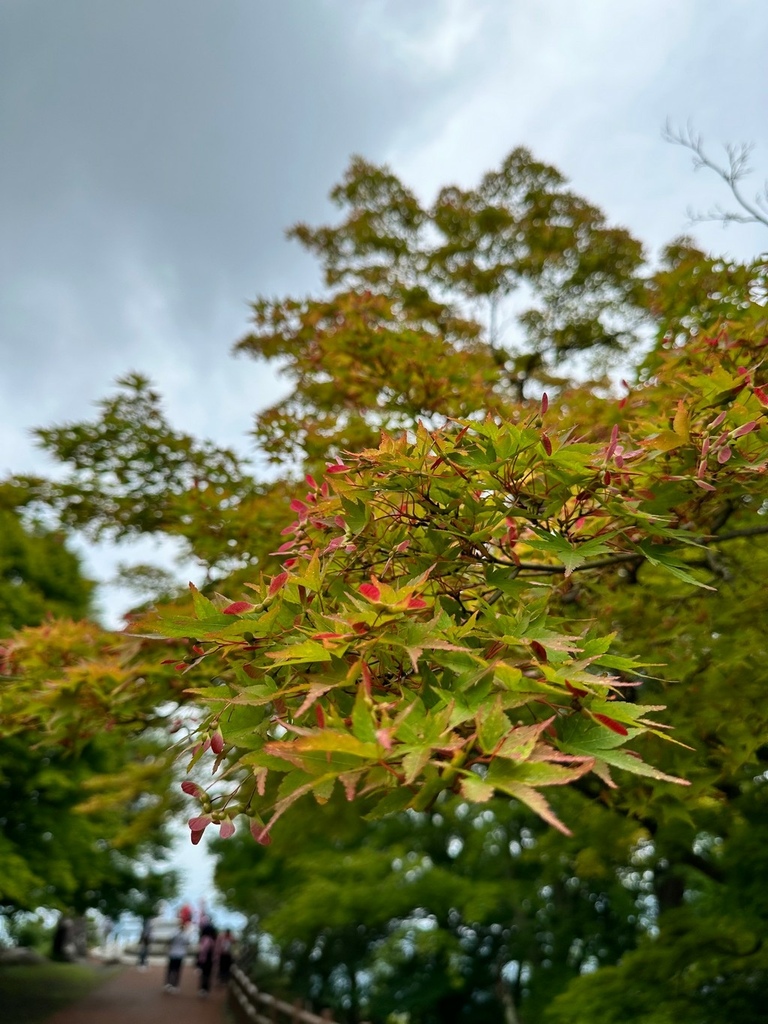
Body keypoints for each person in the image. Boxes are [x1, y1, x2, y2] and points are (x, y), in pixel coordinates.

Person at [164, 920, 191, 993]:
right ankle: (175, 985)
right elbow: (188, 943)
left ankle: (168, 983)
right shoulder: (186, 935)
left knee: (171, 970)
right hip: (180, 954)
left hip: (173, 953)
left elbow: (169, 940)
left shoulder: (174, 933)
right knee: (177, 970)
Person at [196, 922, 218, 997]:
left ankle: (203, 988)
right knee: (208, 975)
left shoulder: (205, 939)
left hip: (205, 959)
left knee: (204, 975)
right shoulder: (214, 940)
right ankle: (206, 989)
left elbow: (202, 950)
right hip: (211, 960)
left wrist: (199, 960)